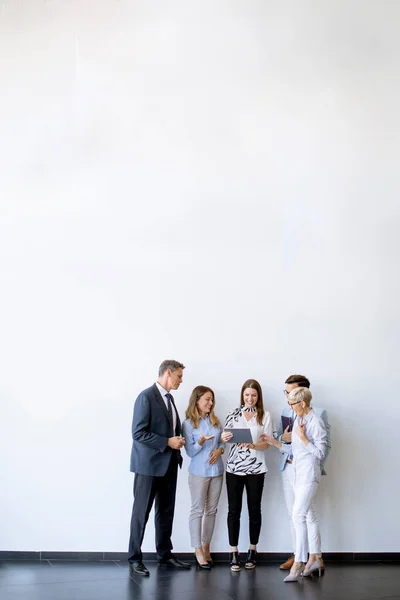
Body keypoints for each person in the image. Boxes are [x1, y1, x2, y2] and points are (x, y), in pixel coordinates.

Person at [128, 360, 191, 576]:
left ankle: (164, 555)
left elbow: (170, 429)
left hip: (169, 465)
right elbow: (138, 433)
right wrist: (167, 442)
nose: (181, 380)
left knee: (166, 512)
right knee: (141, 513)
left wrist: (178, 441)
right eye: (179, 376)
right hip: (148, 466)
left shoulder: (170, 399)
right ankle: (134, 558)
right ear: (168, 373)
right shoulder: (146, 397)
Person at [262, 387, 328, 582]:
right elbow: (295, 451)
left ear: (303, 403)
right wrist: (275, 443)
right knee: (308, 514)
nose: (290, 407)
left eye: (292, 404)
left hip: (309, 476)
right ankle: (315, 559)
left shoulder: (315, 422)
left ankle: (299, 562)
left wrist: (304, 438)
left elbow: (320, 453)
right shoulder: (299, 420)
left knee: (297, 515)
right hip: (298, 476)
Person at [276, 374, 331, 572]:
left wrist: (314, 467)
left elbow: (324, 446)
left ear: (303, 394)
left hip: (308, 470)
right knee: (295, 514)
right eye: (286, 392)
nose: (288, 397)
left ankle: (313, 556)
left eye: (291, 392)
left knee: (306, 514)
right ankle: (298, 554)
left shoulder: (318, 415)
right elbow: (284, 441)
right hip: (290, 467)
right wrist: (280, 438)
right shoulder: (287, 411)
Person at [221, 379, 273, 572]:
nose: (250, 398)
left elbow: (267, 444)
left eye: (253, 395)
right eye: (246, 395)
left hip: (256, 468)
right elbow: (225, 438)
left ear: (258, 397)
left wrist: (252, 445)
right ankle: (233, 551)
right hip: (234, 468)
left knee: (254, 509)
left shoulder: (265, 415)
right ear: (242, 395)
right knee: (233, 510)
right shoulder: (232, 414)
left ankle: (252, 549)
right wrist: (224, 437)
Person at [182, 386, 225, 569]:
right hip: (199, 472)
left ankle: (206, 546)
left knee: (212, 511)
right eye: (207, 399)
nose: (210, 403)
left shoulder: (215, 421)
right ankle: (197, 549)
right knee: (197, 510)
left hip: (217, 471)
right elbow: (190, 452)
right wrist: (200, 442)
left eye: (212, 400)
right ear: (197, 400)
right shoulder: (188, 424)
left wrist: (219, 449)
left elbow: (222, 441)